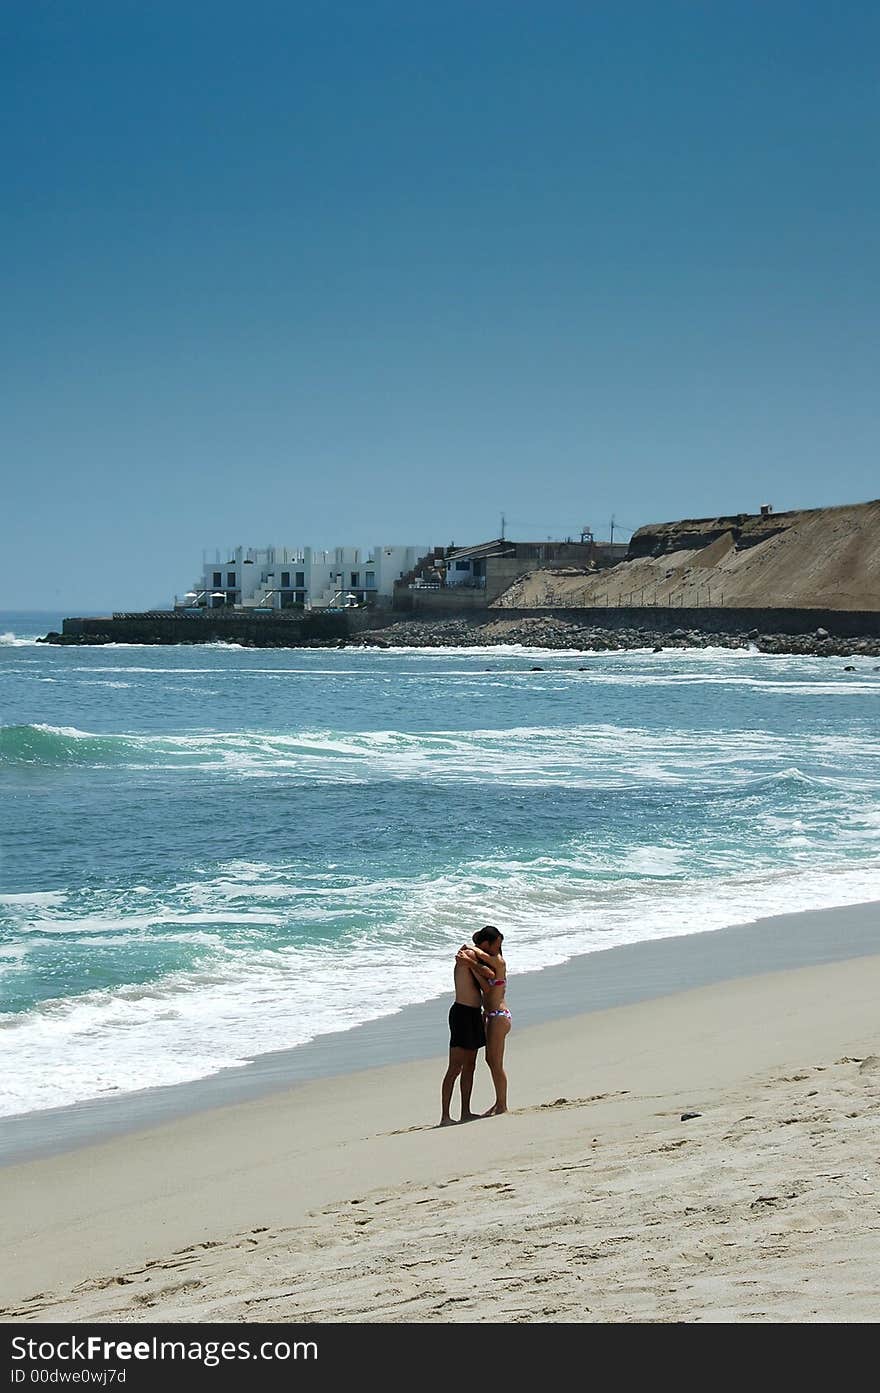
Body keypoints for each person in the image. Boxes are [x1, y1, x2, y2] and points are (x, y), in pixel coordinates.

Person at [439, 934, 494, 1125]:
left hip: (473, 1014)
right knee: (455, 1067)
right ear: (486, 943)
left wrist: (474, 964)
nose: (495, 951)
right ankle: (445, 1116)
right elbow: (487, 985)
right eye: (495, 945)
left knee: (470, 1065)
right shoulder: (468, 955)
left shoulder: (472, 958)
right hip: (462, 1013)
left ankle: (465, 1112)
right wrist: (472, 963)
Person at [457, 926, 510, 1117]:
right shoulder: (489, 962)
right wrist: (470, 961)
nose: (498, 948)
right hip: (490, 1015)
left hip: (499, 1015)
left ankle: (502, 1104)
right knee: (491, 1060)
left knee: (495, 1062)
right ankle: (499, 1102)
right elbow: (483, 982)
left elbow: (479, 953)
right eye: (497, 944)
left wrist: (468, 952)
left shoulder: (499, 961)